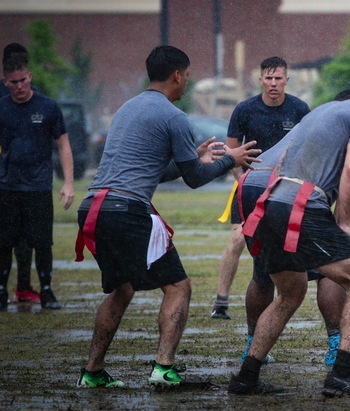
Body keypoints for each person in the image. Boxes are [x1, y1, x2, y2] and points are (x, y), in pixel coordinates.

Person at [75, 45, 260, 388]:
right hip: (127, 211)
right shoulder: (175, 116)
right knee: (178, 287)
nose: (187, 81)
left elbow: (153, 172)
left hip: (94, 208)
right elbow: (195, 179)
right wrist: (230, 159)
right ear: (177, 75)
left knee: (122, 289)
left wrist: (199, 157)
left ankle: (92, 371)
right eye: (188, 75)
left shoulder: (127, 109)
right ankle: (163, 369)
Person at [228, 61, 350, 397]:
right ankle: (342, 374)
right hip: (295, 200)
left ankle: (246, 377)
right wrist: (343, 221)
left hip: (262, 197)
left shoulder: (326, 109)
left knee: (290, 292)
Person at [212, 56, 311, 320]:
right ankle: (221, 301)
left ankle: (284, 297)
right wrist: (244, 182)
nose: (274, 83)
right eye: (269, 78)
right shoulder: (245, 110)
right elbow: (231, 154)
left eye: (279, 78)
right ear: (260, 81)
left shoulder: (300, 109)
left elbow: (307, 151)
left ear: (287, 80)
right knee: (237, 240)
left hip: (286, 190)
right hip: (248, 187)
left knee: (283, 247)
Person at [0, 49, 75, 310]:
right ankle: (1, 291)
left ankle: (46, 290)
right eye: (14, 82)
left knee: (43, 242)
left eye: (23, 80)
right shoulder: (2, 109)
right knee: (4, 242)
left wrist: (68, 183)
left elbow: (63, 144)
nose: (20, 86)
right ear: (4, 81)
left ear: (30, 76)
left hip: (39, 186)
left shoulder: (48, 107)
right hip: (7, 186)